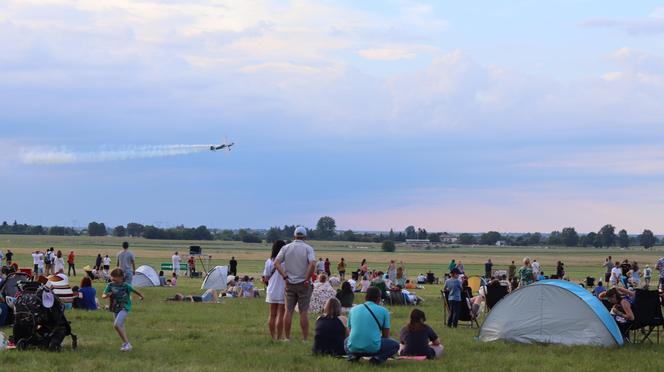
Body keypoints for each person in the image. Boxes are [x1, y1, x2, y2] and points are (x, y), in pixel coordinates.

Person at [274, 226, 316, 341]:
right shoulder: (308, 248)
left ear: (294, 236)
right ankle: (305, 339)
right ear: (305, 237)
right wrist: (307, 279)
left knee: (288, 311)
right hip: (304, 284)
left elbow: (276, 263)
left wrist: (285, 276)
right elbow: (312, 264)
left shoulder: (286, 248)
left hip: (289, 283)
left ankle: (287, 337)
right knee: (303, 312)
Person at [345, 287, 399, 364]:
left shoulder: (353, 309)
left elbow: (349, 330)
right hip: (373, 349)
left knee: (346, 341)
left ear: (365, 297)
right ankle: (377, 359)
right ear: (379, 298)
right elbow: (385, 336)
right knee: (395, 345)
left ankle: (353, 356)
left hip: (353, 347)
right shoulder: (384, 311)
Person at [103, 268, 144, 351]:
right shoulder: (110, 285)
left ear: (121, 277)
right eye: (112, 277)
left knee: (116, 325)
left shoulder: (126, 286)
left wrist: (141, 296)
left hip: (124, 307)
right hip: (114, 308)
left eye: (115, 277)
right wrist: (107, 295)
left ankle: (127, 344)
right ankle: (126, 344)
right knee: (120, 326)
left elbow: (134, 290)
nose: (113, 278)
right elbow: (103, 295)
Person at [263, 240, 287, 340]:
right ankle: (279, 337)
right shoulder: (286, 261)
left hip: (272, 289)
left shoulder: (269, 261)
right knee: (281, 314)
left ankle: (273, 336)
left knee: (272, 314)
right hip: (283, 289)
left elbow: (266, 277)